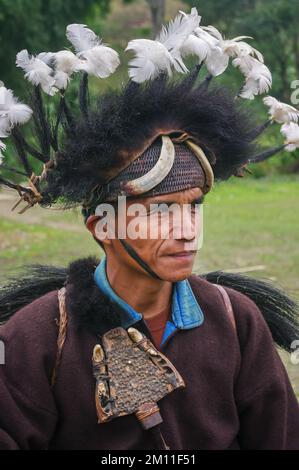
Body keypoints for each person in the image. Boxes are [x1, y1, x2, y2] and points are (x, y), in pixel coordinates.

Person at [0, 7, 298, 450]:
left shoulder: (237, 321)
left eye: (194, 207)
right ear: (101, 225)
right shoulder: (35, 336)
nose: (186, 230)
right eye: (158, 211)